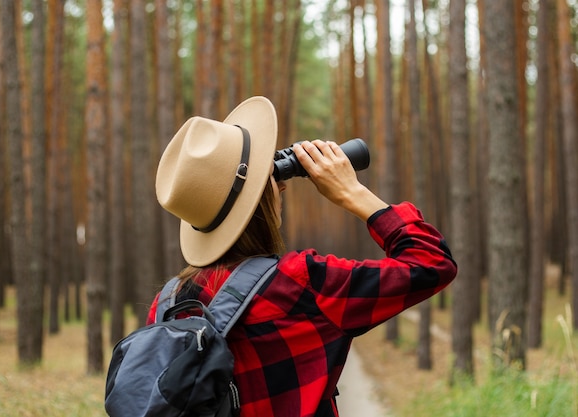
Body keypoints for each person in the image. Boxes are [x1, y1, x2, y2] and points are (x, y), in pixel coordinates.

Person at [147, 96, 457, 417]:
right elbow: (431, 261)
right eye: (272, 180)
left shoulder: (168, 304)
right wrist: (352, 192)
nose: (282, 188)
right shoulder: (300, 285)